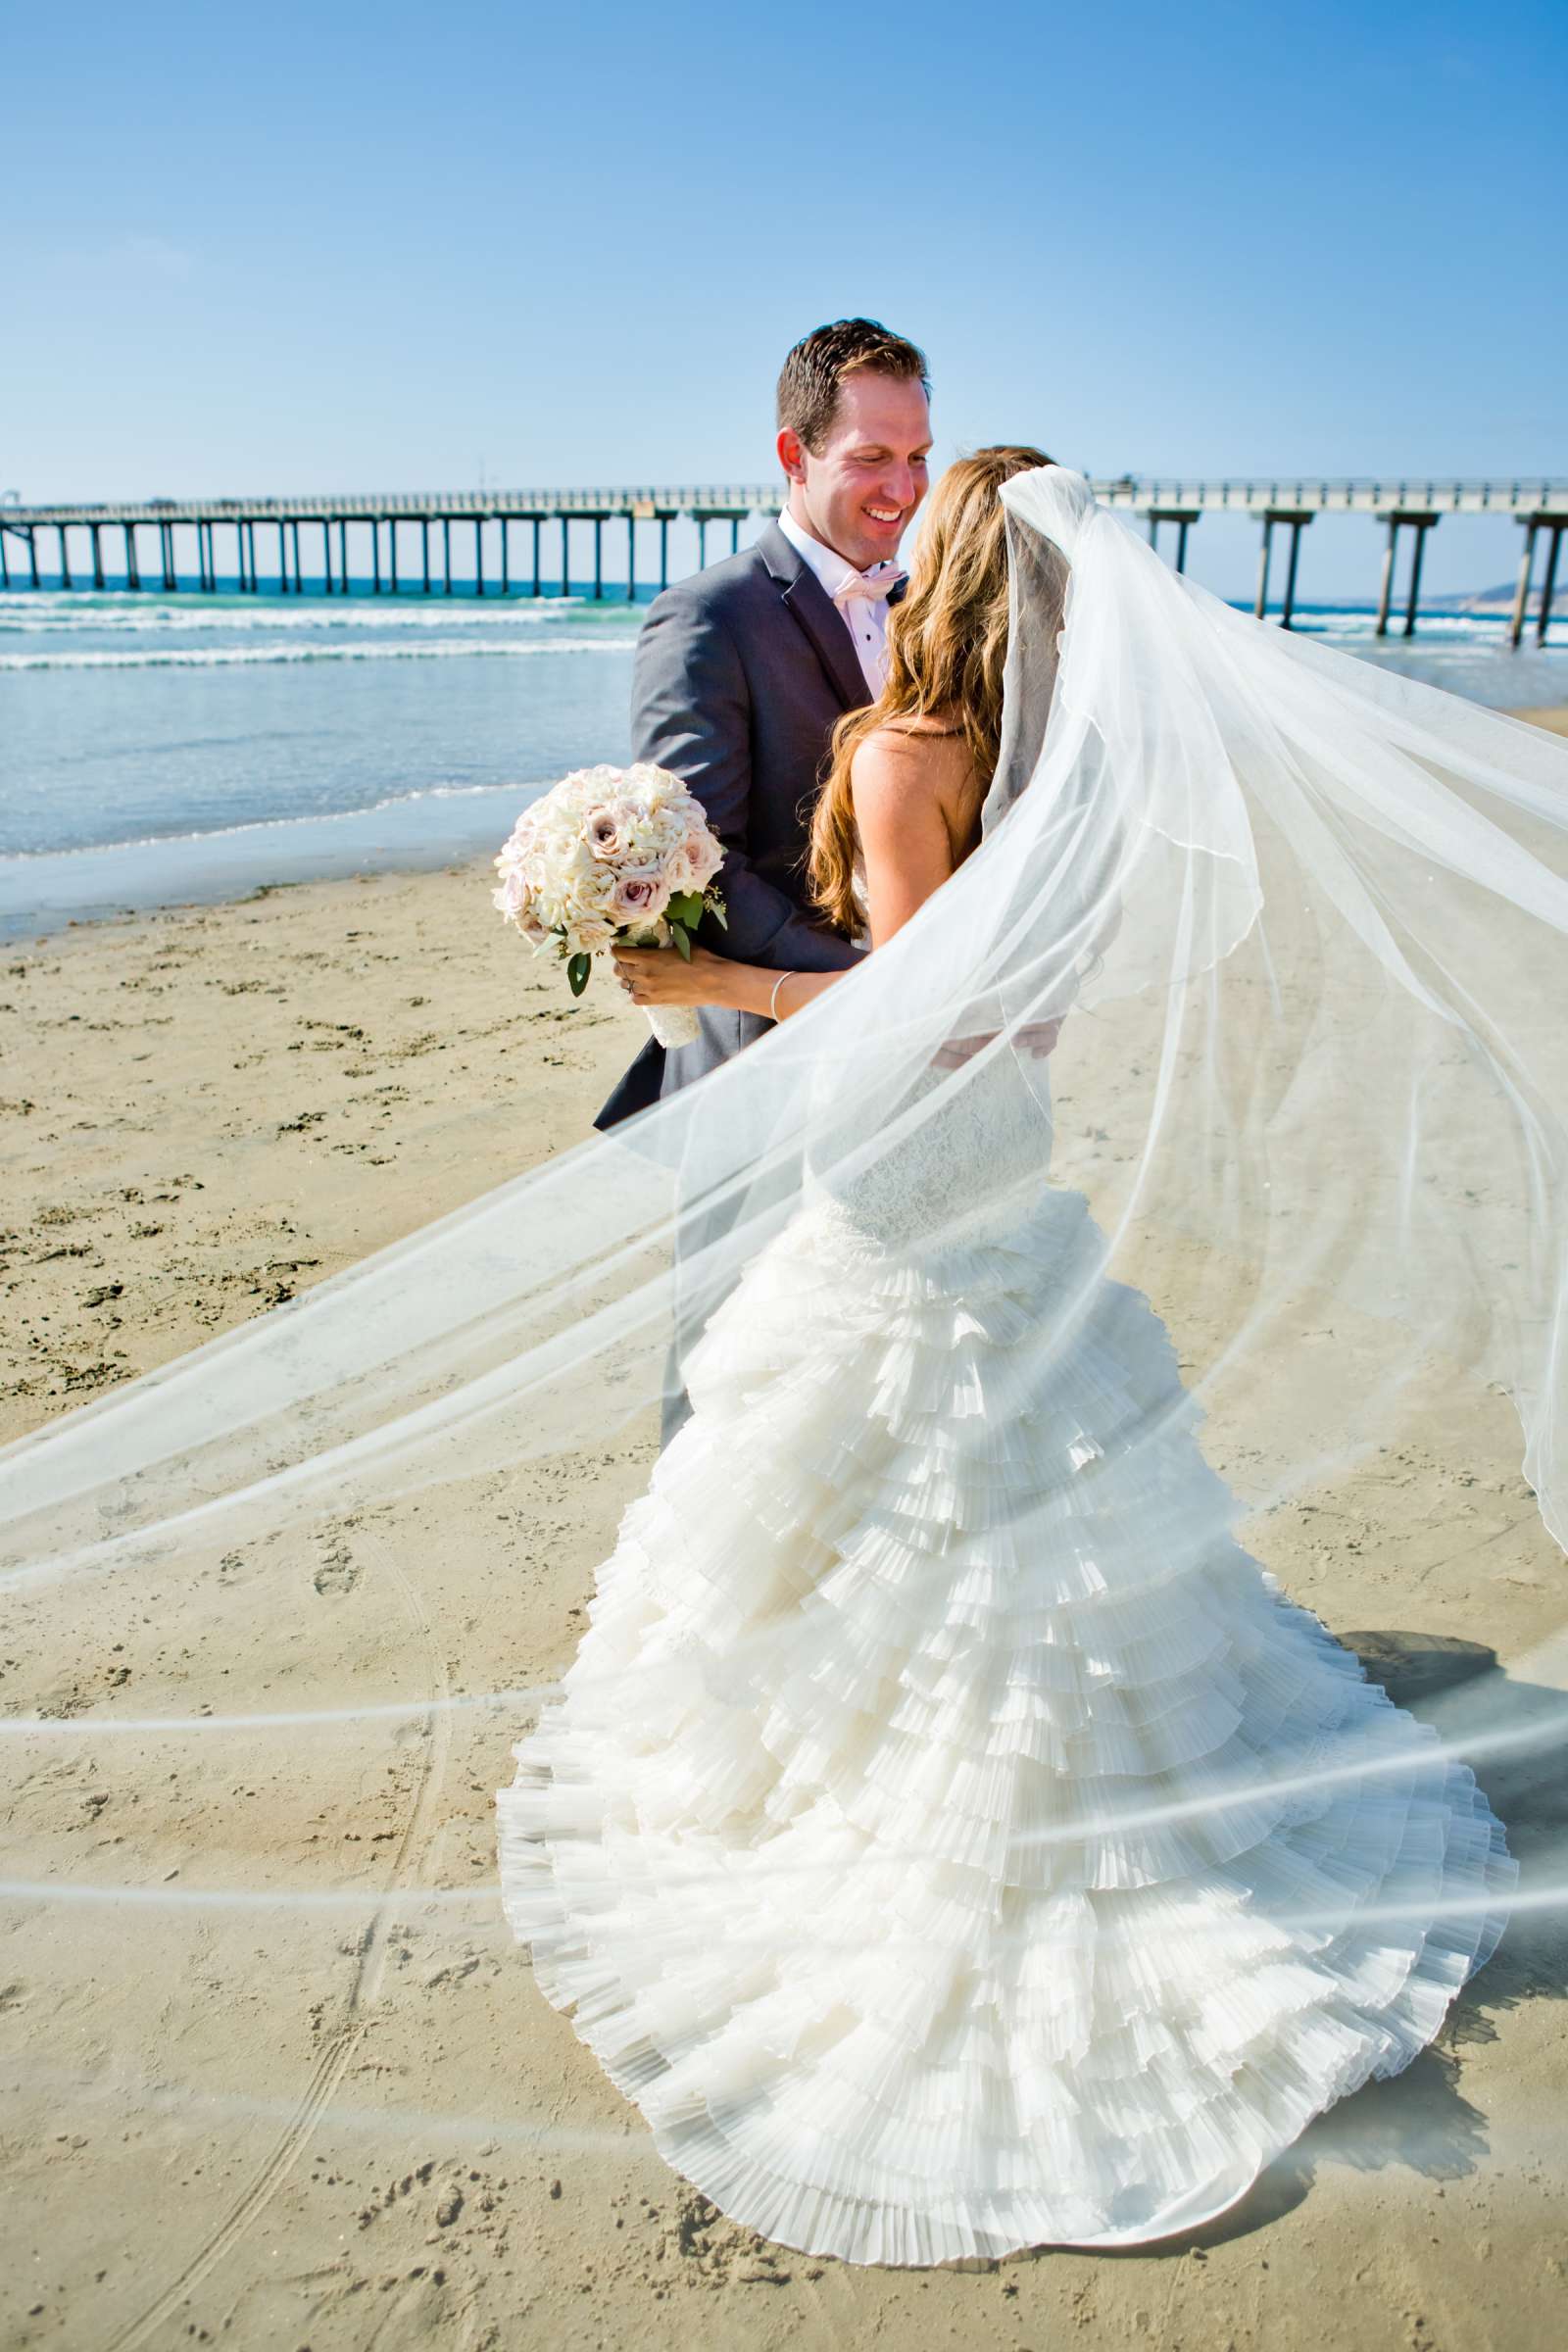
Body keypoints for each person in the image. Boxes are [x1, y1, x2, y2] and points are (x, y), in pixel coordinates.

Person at [494, 450, 1523, 2264]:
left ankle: (902, 1798)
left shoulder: (906, 756)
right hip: (1010, 1148)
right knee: (1000, 1439)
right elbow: (1027, 999)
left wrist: (711, 985)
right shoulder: (1071, 771)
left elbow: (921, 1007)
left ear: (949, 569)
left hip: (914, 1142)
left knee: (892, 1431)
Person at [593, 315, 934, 1131]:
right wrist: (874, 980)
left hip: (914, 1048)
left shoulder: (928, 610)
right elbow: (699, 863)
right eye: (871, 458)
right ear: (794, 455)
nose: (904, 489)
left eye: (918, 457)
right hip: (766, 1049)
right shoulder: (709, 616)